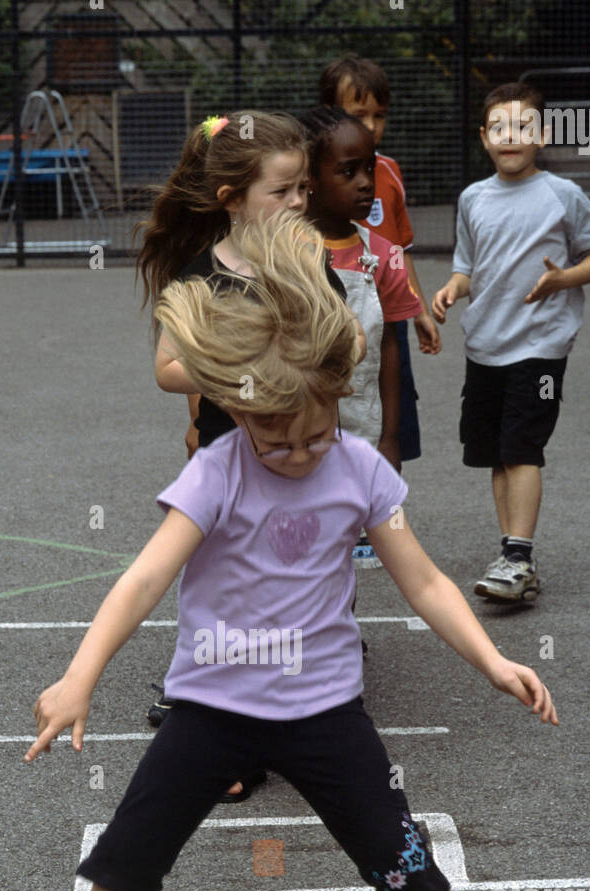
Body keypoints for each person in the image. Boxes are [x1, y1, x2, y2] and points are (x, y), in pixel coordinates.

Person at [4, 212, 558, 891]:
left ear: (335, 403)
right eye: (275, 441)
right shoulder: (218, 470)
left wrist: (492, 660)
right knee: (123, 864)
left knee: (404, 864)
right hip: (210, 710)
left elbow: (422, 584)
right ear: (241, 415)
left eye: (312, 438)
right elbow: (145, 578)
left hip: (325, 714)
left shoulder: (363, 472)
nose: (296, 456)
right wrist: (79, 677)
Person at [135, 110, 364, 795]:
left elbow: (345, 339)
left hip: (298, 454)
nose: (300, 201)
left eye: (302, 188)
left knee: (301, 572)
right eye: (284, 190)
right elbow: (168, 367)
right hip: (228, 456)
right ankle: (217, 720)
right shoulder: (201, 273)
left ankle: (316, 689)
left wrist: (320, 361)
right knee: (228, 586)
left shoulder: (308, 258)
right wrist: (243, 375)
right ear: (232, 198)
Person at [432, 83, 590, 602]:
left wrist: (564, 279)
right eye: (499, 127)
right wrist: (451, 289)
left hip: (540, 347)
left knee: (522, 448)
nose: (510, 136)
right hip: (484, 345)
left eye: (522, 126)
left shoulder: (562, 195)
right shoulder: (472, 198)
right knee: (495, 454)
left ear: (544, 134)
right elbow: (468, 266)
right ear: (483, 137)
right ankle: (511, 552)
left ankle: (519, 557)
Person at [300, 105, 421, 568]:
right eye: (347, 172)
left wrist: (391, 435)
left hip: (362, 420)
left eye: (368, 168)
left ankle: (341, 634)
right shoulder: (283, 251)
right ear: (309, 178)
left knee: (344, 540)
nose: (366, 182)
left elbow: (391, 344)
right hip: (296, 428)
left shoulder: (383, 255)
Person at [319, 52, 442, 468]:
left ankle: (384, 501)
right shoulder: (318, 177)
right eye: (359, 114)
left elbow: (400, 250)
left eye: (380, 115)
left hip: (389, 309)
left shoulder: (389, 172)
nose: (371, 126)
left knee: (393, 402)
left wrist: (419, 309)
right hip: (336, 306)